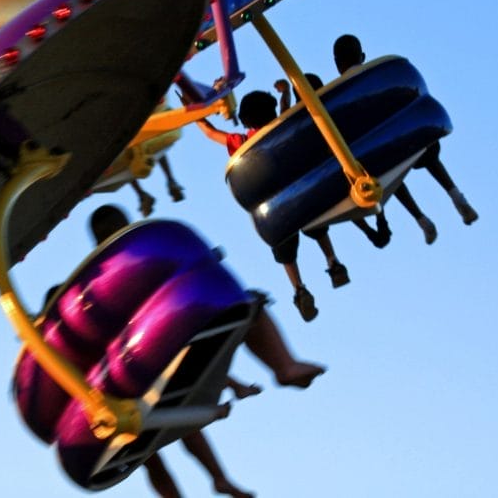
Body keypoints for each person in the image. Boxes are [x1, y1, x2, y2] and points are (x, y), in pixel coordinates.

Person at [84, 205, 324, 498]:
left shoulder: (140, 261)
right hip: (140, 367)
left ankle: (284, 367)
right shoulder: (107, 281)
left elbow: (181, 336)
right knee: (155, 434)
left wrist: (233, 386)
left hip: (165, 351)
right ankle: (218, 475)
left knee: (241, 309)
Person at [194, 92, 348, 322]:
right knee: (318, 225)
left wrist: (196, 114)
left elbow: (210, 133)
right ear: (272, 111)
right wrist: (285, 91)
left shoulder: (243, 143)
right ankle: (333, 261)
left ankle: (299, 288)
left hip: (277, 209)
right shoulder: (283, 129)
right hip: (303, 194)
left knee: (284, 247)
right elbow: (289, 112)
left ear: (245, 120)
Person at [333, 34, 478, 239]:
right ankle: (456, 195)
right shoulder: (378, 73)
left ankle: (421, 219)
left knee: (389, 177)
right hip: (402, 133)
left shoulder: (339, 92)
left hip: (379, 149)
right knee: (428, 155)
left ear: (337, 63)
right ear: (362, 56)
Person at [276, 75, 392, 249]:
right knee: (359, 186)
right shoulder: (327, 105)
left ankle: (373, 225)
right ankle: (378, 220)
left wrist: (285, 92)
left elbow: (284, 112)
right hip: (342, 158)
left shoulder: (304, 115)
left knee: (347, 193)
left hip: (330, 163)